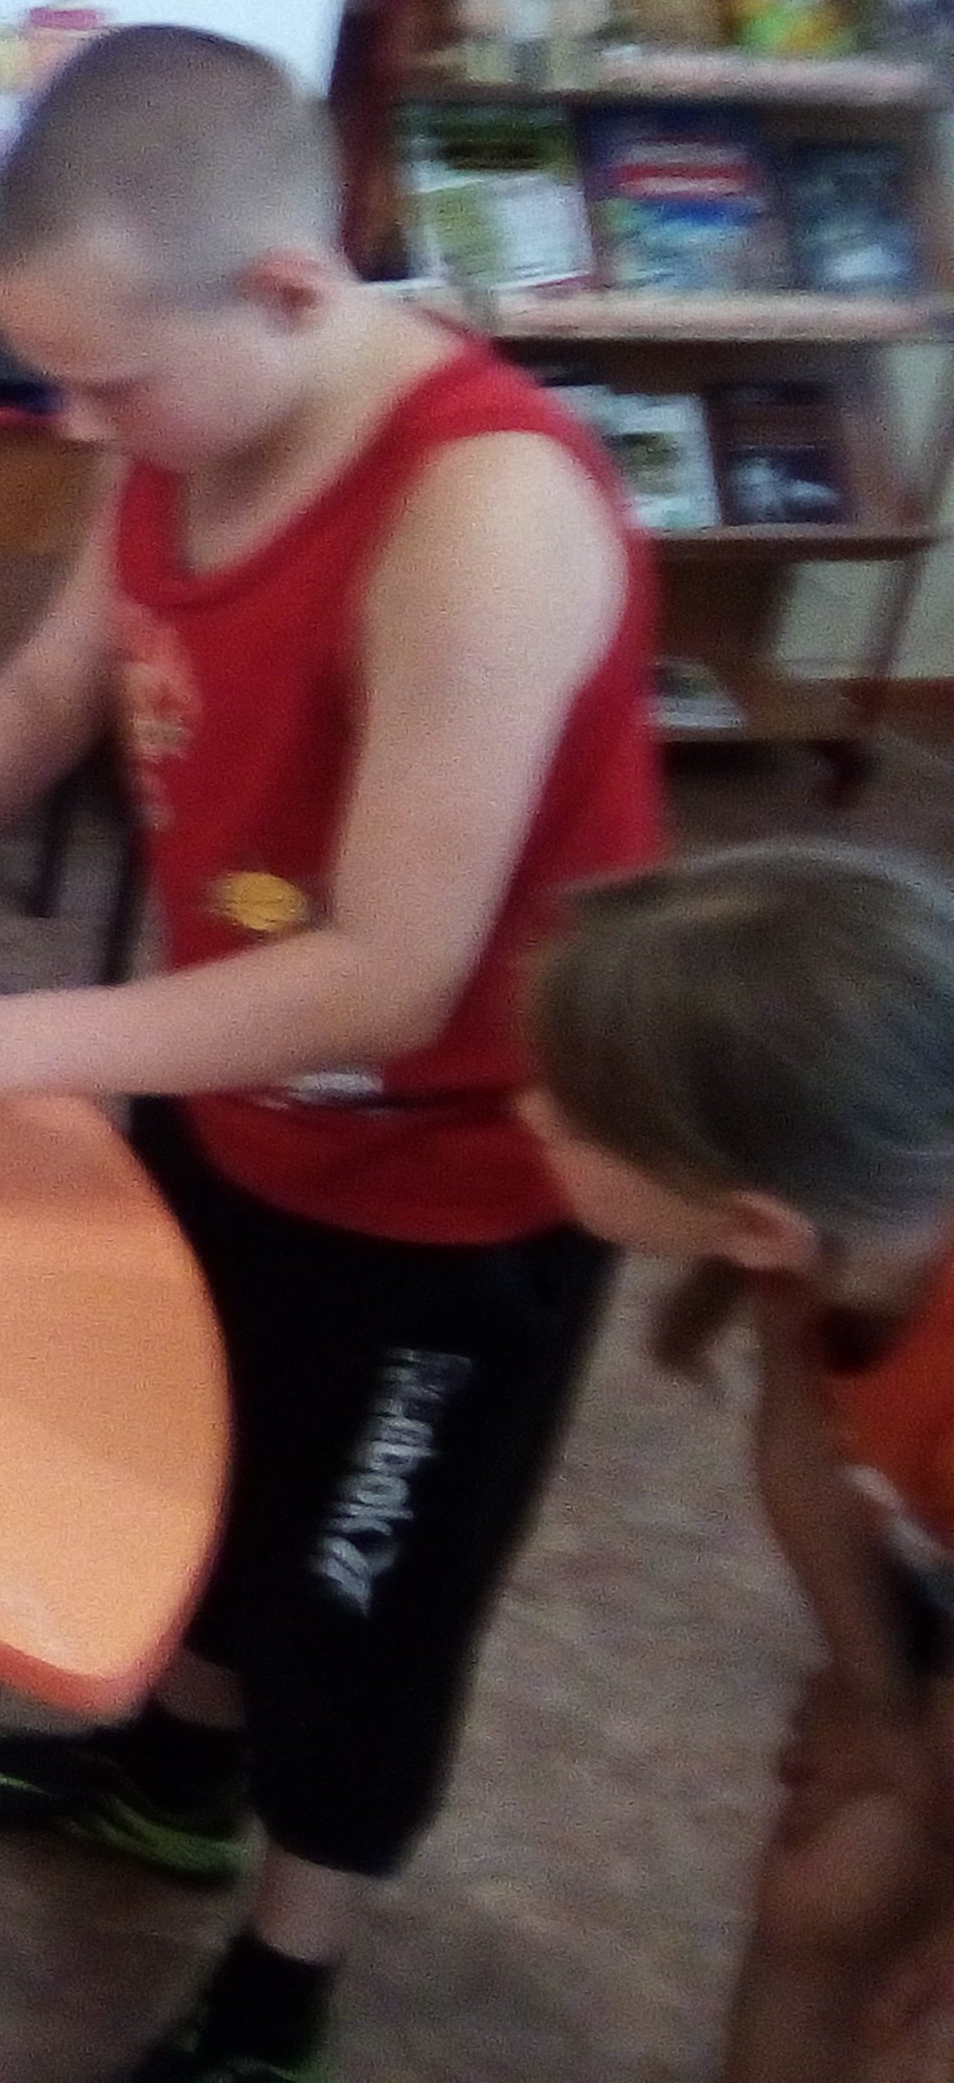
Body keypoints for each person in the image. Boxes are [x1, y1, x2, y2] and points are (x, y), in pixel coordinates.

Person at [0, 24, 663, 2083]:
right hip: (231, 1078)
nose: (80, 430)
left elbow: (390, 977)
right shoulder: (180, 424)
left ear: (288, 290)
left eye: (110, 382)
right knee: (206, 1466)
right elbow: (54, 683)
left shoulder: (483, 510)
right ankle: (168, 1778)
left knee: (367, 1597)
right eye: (53, 381)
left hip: (457, 1182)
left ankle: (283, 1975)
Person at [523, 842, 954, 2083]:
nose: (530, 1114)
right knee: (823, 1893)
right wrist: (878, 1700)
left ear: (755, 1221)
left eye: (573, 1117)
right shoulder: (837, 1236)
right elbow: (806, 1454)